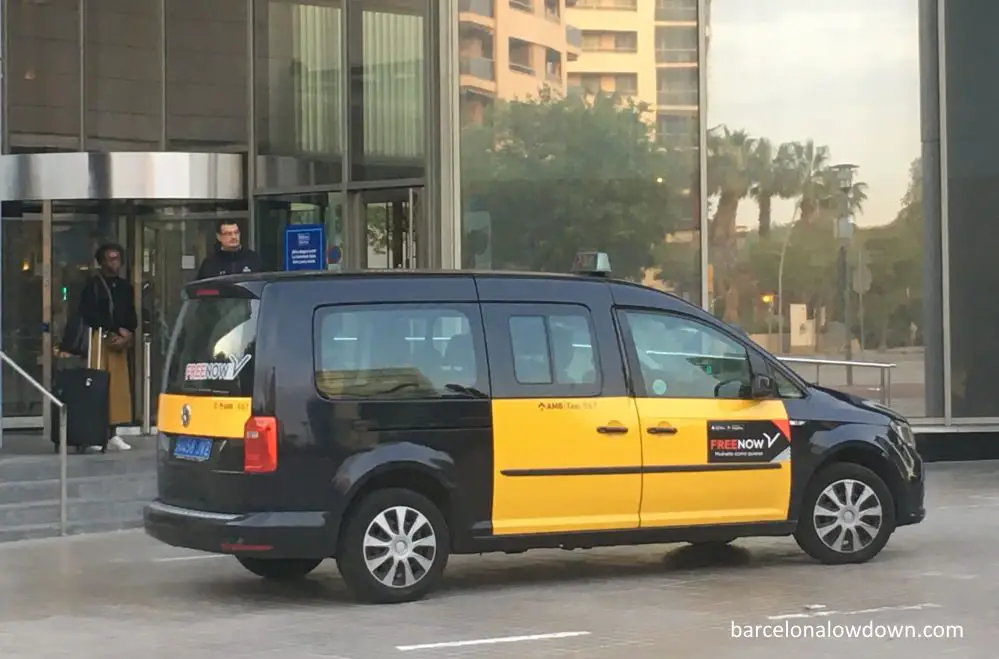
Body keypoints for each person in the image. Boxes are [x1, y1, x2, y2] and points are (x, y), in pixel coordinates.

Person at [77, 243, 137, 452]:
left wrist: (128, 333)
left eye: (117, 258)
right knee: (96, 387)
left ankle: (113, 433)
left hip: (119, 342)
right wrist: (113, 330)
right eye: (109, 259)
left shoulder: (125, 286)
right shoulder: (92, 285)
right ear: (101, 262)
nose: (114, 263)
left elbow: (131, 313)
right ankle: (94, 433)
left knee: (117, 390)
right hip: (99, 340)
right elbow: (89, 313)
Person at [195, 220, 263, 280]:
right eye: (228, 234)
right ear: (219, 237)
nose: (233, 237)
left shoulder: (253, 258)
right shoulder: (210, 263)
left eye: (236, 233)